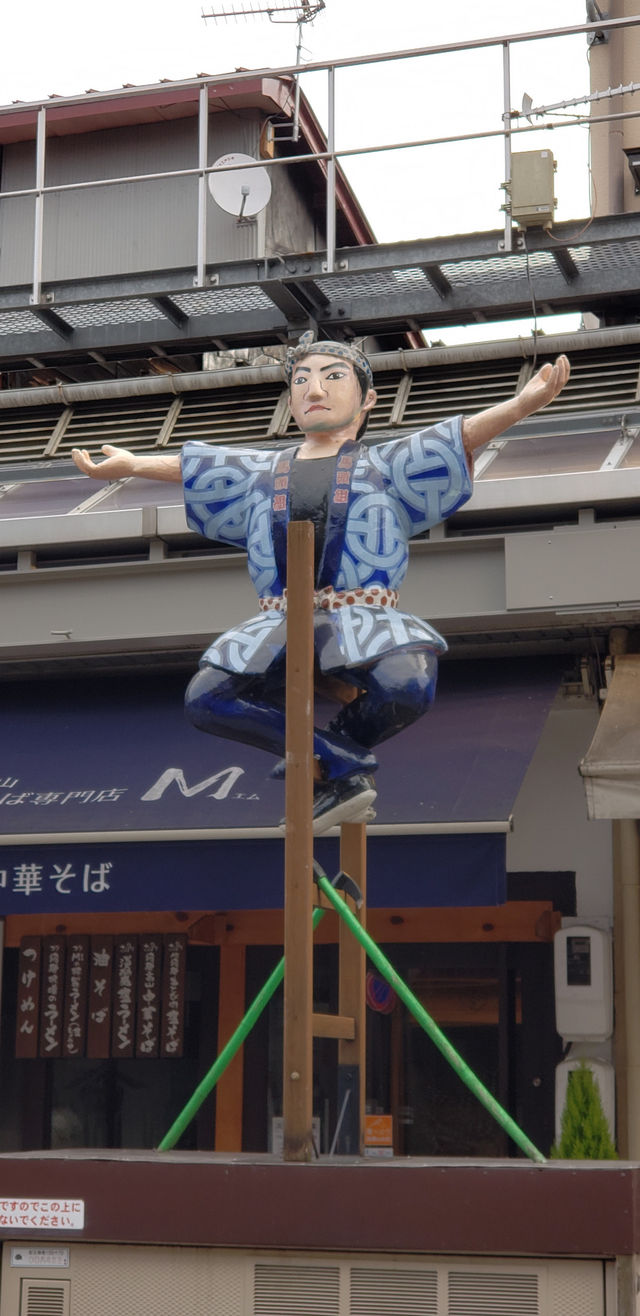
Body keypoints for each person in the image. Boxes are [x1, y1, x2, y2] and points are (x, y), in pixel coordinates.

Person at [72, 333, 570, 831]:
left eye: (333, 378)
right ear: (290, 399)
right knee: (207, 699)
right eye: (302, 380)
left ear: (367, 398)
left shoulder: (384, 465)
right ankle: (341, 760)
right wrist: (134, 464)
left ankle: (331, 762)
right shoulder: (262, 471)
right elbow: (196, 467)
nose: (315, 390)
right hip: (280, 617)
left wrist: (523, 404)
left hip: (364, 610)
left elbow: (459, 436)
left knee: (408, 686)